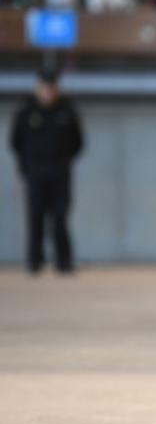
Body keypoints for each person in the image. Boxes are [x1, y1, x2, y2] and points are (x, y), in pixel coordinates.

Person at [9, 67, 83, 274]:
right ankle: (34, 261)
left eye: (52, 87)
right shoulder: (26, 111)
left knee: (60, 217)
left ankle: (64, 261)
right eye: (45, 87)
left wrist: (64, 161)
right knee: (35, 217)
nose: (48, 91)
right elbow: (16, 142)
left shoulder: (66, 110)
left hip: (60, 172)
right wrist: (26, 166)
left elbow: (78, 142)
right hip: (35, 172)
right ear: (38, 87)